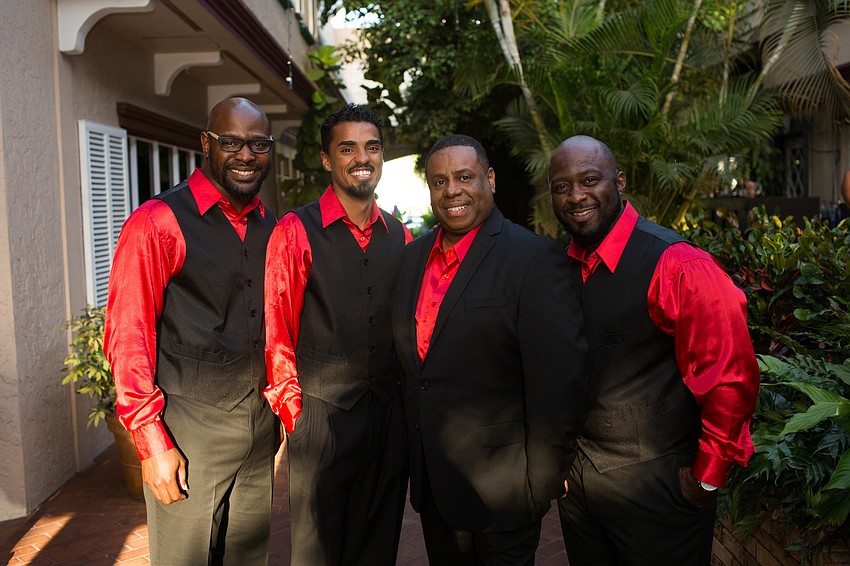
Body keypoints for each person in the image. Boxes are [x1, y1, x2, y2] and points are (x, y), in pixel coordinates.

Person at [548, 135, 760, 566]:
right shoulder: (558, 268)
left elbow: (730, 375)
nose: (575, 196)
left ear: (619, 181)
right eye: (561, 187)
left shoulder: (678, 263)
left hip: (659, 490)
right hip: (580, 492)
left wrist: (705, 480)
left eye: (590, 180)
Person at [391, 134, 589, 565]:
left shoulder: (533, 258)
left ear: (490, 179)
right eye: (440, 181)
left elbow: (559, 379)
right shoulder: (412, 259)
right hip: (435, 486)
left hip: (505, 490)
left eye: (465, 177)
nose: (452, 190)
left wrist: (543, 482)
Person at [104, 97, 277, 564]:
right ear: (206, 143)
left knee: (247, 557)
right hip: (188, 431)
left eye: (258, 144)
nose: (246, 155)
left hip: (260, 430)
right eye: (232, 142)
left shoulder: (271, 225)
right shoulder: (157, 222)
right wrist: (152, 443)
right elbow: (127, 336)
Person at [263, 103, 409, 566]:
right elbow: (276, 328)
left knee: (378, 545)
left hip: (387, 416)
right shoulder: (295, 230)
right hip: (322, 418)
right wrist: (297, 418)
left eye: (371, 147)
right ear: (328, 160)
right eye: (347, 148)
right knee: (317, 551)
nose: (361, 157)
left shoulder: (399, 235)